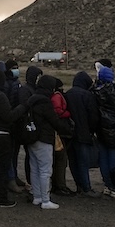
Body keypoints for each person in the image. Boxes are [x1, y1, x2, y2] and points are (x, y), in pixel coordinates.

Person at [0, 68, 28, 207]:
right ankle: (2, 199)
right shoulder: (0, 96)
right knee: (1, 168)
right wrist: (22, 108)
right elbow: (8, 117)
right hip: (2, 135)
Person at [25, 75, 65, 209]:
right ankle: (46, 200)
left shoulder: (32, 99)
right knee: (45, 170)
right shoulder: (45, 102)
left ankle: (37, 197)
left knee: (35, 169)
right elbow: (54, 120)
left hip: (31, 137)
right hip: (44, 138)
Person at [92, 62, 115, 198]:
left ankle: (107, 185)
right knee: (114, 159)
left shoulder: (96, 91)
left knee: (103, 158)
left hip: (101, 129)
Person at [64, 70, 100, 197]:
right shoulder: (88, 95)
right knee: (83, 162)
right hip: (83, 133)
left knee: (73, 161)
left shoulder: (67, 94)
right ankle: (86, 188)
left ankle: (79, 186)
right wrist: (92, 130)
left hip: (69, 134)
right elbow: (93, 116)